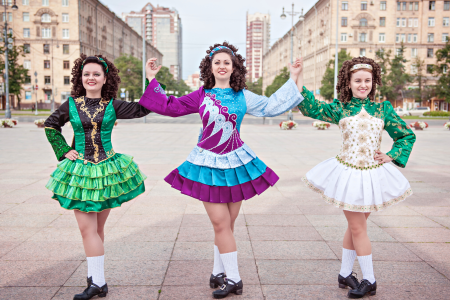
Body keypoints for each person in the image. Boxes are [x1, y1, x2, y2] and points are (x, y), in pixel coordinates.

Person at [139, 42, 304, 299]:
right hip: (208, 165)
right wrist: (151, 79)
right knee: (221, 223)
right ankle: (234, 279)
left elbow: (271, 106)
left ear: (234, 67)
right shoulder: (201, 95)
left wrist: (294, 76)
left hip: (236, 164)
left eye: (227, 62)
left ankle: (219, 272)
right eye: (217, 62)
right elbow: (171, 106)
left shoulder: (243, 96)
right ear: (210, 67)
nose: (222, 66)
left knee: (227, 225)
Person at [296, 57, 416, 298]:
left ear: (374, 82)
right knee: (358, 227)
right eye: (358, 81)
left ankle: (345, 274)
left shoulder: (384, 109)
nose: (363, 85)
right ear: (348, 83)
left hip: (373, 177)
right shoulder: (341, 107)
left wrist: (391, 155)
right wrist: (297, 77)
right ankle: (369, 279)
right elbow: (310, 106)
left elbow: (406, 135)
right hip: (348, 173)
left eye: (368, 81)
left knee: (355, 227)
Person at [44, 54, 151, 300]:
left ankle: (97, 281)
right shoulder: (71, 104)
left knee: (97, 229)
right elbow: (51, 125)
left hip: (107, 171)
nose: (91, 78)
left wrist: (151, 79)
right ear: (80, 79)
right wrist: (63, 151)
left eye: (96, 74)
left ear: (105, 79)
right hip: (80, 172)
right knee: (87, 230)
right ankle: (97, 281)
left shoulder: (113, 104)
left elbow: (144, 108)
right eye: (86, 74)